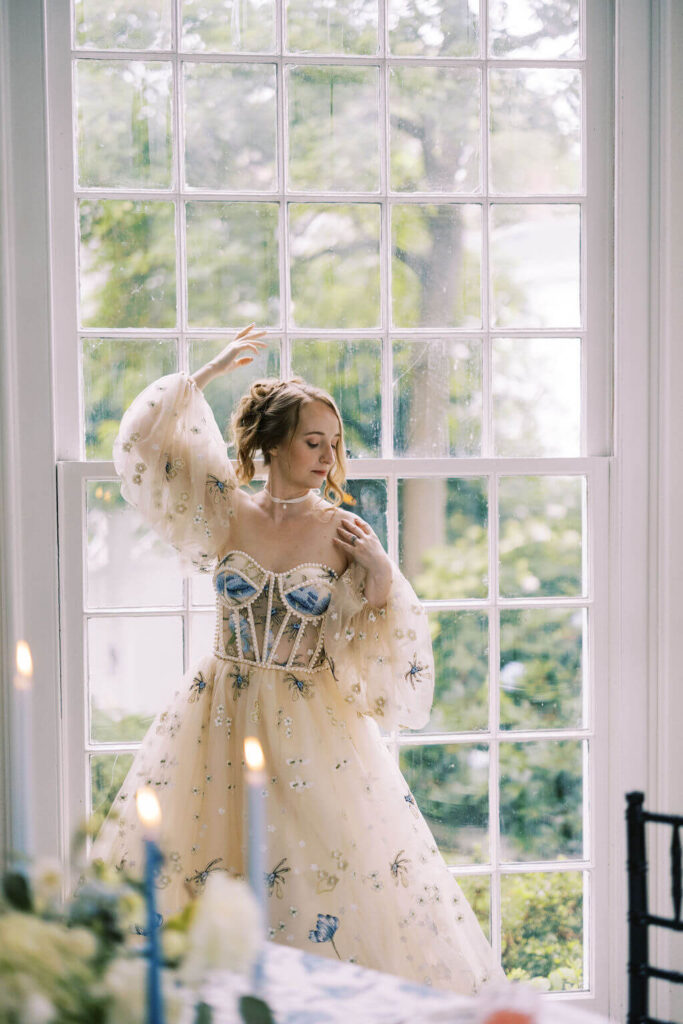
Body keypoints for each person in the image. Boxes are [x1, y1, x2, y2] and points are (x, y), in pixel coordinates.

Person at [92, 324, 506, 993]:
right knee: (203, 867)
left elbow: (378, 629)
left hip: (311, 725)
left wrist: (375, 567)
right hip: (217, 712)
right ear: (273, 442)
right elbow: (145, 442)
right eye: (314, 441)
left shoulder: (340, 530)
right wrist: (204, 374)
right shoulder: (225, 511)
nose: (327, 456)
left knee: (317, 874)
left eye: (333, 444)